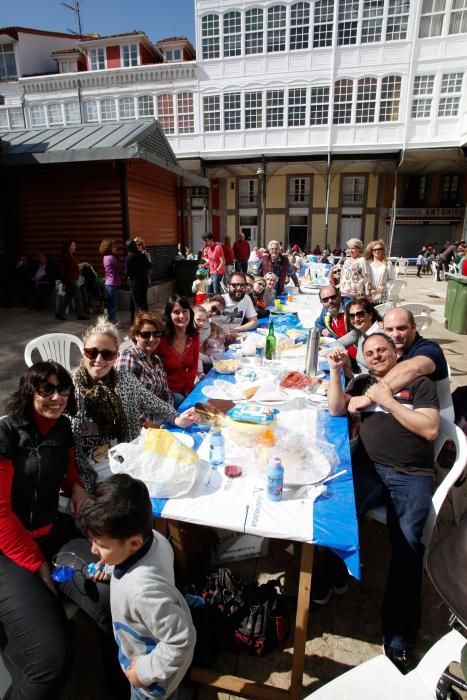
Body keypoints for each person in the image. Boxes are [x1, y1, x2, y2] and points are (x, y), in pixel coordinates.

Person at [0, 362, 127, 699]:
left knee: (112, 601)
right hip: (10, 551)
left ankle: (121, 690)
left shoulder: (61, 429)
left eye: (63, 390)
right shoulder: (7, 434)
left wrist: (77, 489)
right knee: (50, 661)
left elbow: (69, 470)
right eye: (47, 390)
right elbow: (0, 513)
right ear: (30, 391)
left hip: (52, 533)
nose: (56, 397)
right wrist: (35, 563)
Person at [327, 333, 440, 672]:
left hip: (409, 474)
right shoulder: (361, 381)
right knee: (333, 510)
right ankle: (333, 577)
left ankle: (400, 635)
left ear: (395, 353)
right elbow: (337, 407)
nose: (377, 356)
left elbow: (431, 430)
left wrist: (389, 401)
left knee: (406, 546)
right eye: (370, 352)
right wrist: (335, 372)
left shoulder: (418, 384)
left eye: (382, 351)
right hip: (368, 467)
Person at [79, 474, 196, 700]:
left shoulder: (143, 593)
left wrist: (142, 672)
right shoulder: (156, 540)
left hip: (151, 683)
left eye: (101, 545)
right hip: (159, 664)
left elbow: (182, 638)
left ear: (133, 543)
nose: (93, 550)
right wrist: (113, 569)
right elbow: (141, 566)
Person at [72, 317, 197, 489]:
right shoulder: (69, 391)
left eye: (107, 354)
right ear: (83, 352)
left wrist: (176, 417)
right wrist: (78, 486)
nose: (99, 360)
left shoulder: (125, 381)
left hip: (129, 461)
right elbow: (65, 448)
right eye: (92, 352)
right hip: (93, 476)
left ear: (116, 356)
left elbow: (151, 401)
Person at [350, 307, 454, 420]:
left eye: (401, 328)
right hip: (402, 406)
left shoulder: (429, 349)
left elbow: (412, 368)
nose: (395, 334)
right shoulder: (393, 350)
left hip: (437, 417)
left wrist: (369, 397)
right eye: (389, 329)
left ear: (414, 327)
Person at [116, 312, 173, 425]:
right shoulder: (129, 357)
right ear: (136, 335)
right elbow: (126, 403)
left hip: (160, 414)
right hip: (142, 424)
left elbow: (166, 392)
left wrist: (171, 414)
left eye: (156, 334)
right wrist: (153, 426)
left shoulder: (156, 359)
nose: (152, 339)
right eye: (146, 335)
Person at [156, 295, 200, 408]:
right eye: (176, 312)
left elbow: (193, 367)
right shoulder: (160, 340)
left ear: (190, 313)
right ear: (169, 315)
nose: (181, 316)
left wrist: (187, 392)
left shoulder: (194, 336)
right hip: (166, 393)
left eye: (185, 311)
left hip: (186, 388)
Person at [338, 298, 382, 374]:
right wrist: (344, 355)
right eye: (352, 316)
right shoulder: (359, 332)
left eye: (360, 314)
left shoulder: (379, 335)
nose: (356, 319)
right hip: (359, 377)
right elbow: (338, 342)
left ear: (370, 315)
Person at [55, 240, 90, 321]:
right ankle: (80, 314)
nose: (75, 247)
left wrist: (83, 264)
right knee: (78, 296)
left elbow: (75, 266)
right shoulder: (66, 256)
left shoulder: (69, 255)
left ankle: (59, 313)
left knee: (68, 296)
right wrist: (84, 264)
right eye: (73, 245)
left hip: (70, 278)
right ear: (69, 247)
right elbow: (74, 267)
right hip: (70, 279)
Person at [219, 272, 258, 337]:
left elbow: (254, 322)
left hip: (234, 338)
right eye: (235, 285)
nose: (239, 288)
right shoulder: (220, 300)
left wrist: (237, 329)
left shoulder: (246, 298)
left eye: (242, 285)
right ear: (228, 285)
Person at [99, 238, 125, 328]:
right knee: (113, 304)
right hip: (112, 283)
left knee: (111, 304)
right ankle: (113, 322)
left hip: (109, 283)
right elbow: (121, 267)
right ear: (109, 247)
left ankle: (112, 321)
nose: (116, 248)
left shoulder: (105, 257)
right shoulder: (111, 258)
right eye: (114, 246)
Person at [125, 239, 151, 323]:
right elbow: (149, 266)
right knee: (143, 301)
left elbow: (127, 272)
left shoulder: (128, 258)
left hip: (134, 283)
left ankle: (140, 322)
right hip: (144, 281)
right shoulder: (142, 255)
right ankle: (147, 319)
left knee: (137, 304)